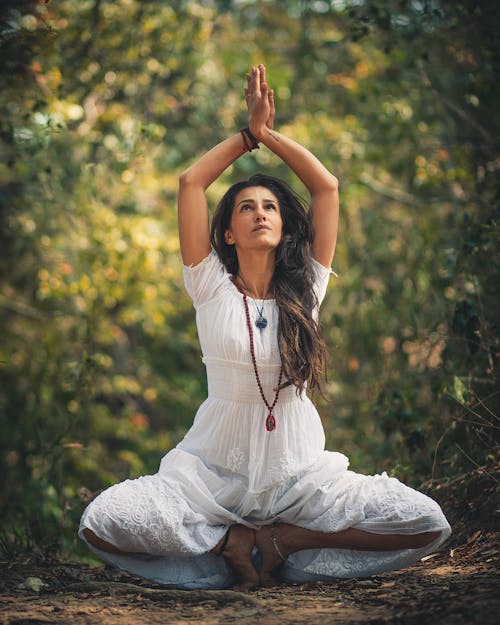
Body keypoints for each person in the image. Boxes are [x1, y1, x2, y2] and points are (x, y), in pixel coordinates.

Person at [79, 65, 451, 591]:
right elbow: (191, 182)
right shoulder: (208, 284)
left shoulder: (308, 287)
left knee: (424, 522)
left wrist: (270, 136)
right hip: (211, 475)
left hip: (299, 477)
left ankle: (286, 541)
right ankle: (227, 543)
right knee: (103, 522)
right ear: (227, 232)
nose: (260, 214)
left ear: (283, 225)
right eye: (246, 208)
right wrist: (245, 137)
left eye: (270, 206)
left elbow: (326, 187)